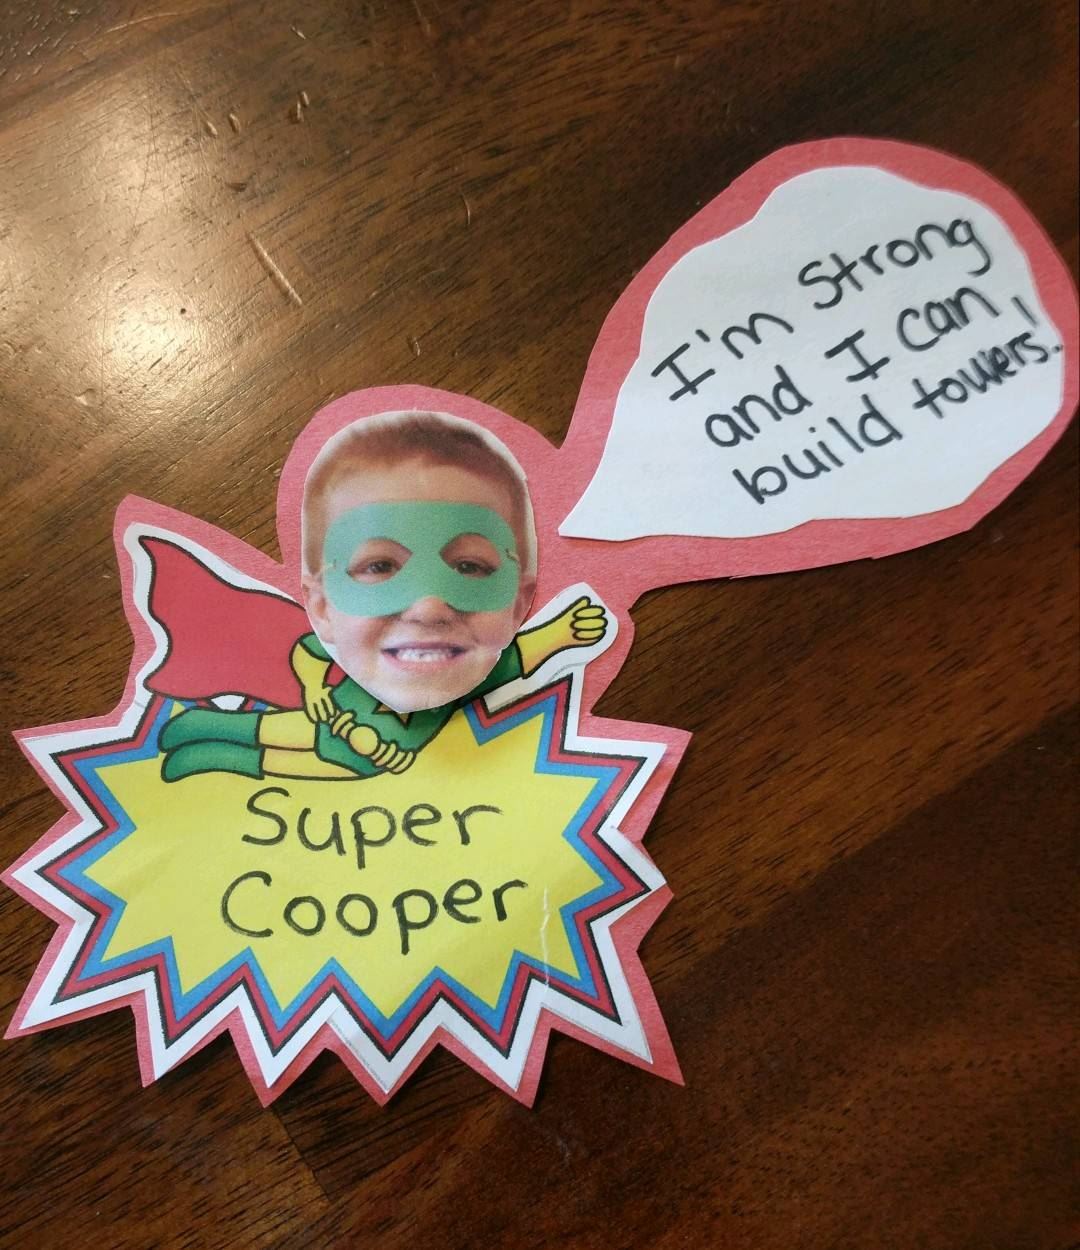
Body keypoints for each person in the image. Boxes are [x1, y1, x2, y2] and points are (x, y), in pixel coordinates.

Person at [160, 410, 607, 781]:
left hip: (371, 759)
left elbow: (523, 655)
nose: (429, 607)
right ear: (321, 605)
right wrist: (314, 690)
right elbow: (308, 654)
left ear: (518, 601)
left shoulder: (480, 665)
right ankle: (208, 726)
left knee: (316, 765)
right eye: (380, 566)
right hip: (333, 721)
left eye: (469, 567)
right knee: (289, 733)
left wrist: (559, 634)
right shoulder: (349, 655)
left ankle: (212, 757)